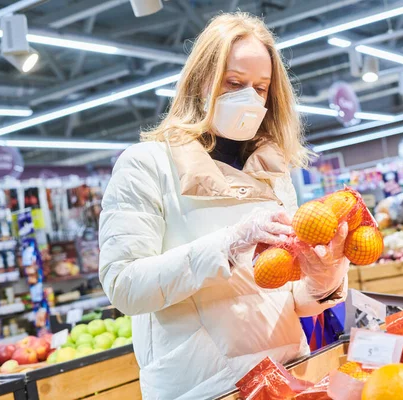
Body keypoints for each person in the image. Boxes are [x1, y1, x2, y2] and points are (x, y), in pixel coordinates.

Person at [98, 13, 349, 400]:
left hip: (288, 375)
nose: (249, 98)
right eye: (234, 83)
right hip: (205, 389)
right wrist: (229, 243)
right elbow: (124, 287)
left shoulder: (273, 170)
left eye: (261, 88)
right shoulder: (147, 164)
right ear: (201, 82)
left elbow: (289, 301)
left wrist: (323, 277)